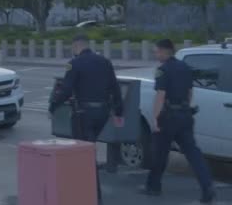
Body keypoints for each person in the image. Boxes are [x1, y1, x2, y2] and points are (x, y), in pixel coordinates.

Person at [49, 34, 124, 203]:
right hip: (102, 114)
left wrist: (53, 107)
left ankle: (93, 197)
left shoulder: (74, 64)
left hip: (84, 115)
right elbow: (115, 88)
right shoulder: (105, 62)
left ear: (76, 46)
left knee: (85, 155)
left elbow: (66, 90)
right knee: (86, 151)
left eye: (72, 48)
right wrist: (119, 111)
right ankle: (82, 191)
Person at [142, 39, 215, 203]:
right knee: (193, 153)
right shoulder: (185, 67)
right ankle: (207, 186)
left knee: (160, 153)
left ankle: (153, 187)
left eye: (156, 51)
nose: (156, 54)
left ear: (163, 51)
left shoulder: (163, 69)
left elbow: (160, 95)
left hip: (168, 116)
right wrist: (185, 109)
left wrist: (155, 118)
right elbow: (189, 92)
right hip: (185, 115)